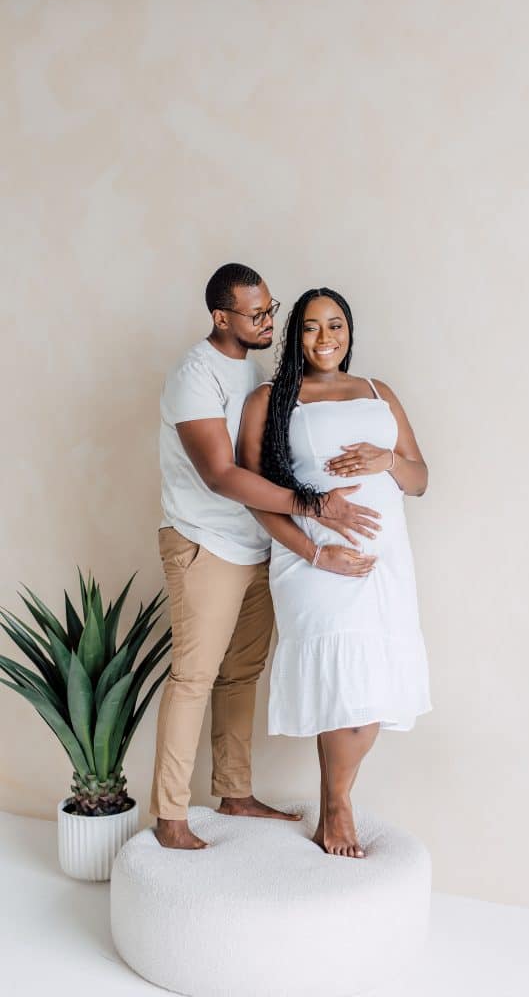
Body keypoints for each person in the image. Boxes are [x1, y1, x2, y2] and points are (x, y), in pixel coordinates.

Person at [150, 265, 382, 850]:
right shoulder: (194, 376)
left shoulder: (254, 372)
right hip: (205, 542)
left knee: (240, 674)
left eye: (270, 309)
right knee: (194, 677)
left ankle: (234, 792)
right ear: (219, 317)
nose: (268, 322)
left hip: (259, 544)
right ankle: (171, 816)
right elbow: (223, 475)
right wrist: (313, 507)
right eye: (257, 315)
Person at [238, 287, 432, 858]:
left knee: (369, 690)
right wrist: (316, 552)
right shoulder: (273, 400)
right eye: (312, 327)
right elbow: (257, 496)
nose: (326, 338)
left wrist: (386, 460)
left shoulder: (378, 391)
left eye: (336, 325)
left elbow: (420, 480)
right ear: (295, 335)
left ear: (350, 331)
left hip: (384, 555)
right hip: (316, 557)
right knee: (341, 684)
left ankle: (332, 803)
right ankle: (339, 809)